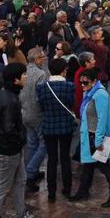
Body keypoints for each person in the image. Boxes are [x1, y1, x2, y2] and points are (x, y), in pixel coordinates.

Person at [72, 68, 110, 208]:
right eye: (80, 82)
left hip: (98, 137)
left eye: (85, 82)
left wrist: (99, 140)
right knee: (88, 164)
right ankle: (83, 191)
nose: (82, 85)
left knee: (105, 166)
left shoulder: (100, 94)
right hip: (90, 135)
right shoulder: (90, 92)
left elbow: (102, 119)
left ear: (94, 81)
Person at [0, 63, 30, 218]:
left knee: (21, 180)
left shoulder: (7, 94)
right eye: (24, 74)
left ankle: (21, 212)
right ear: (15, 80)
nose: (26, 77)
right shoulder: (8, 99)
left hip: (13, 148)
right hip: (8, 150)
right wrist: (21, 139)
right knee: (3, 187)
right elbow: (8, 129)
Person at [35, 57, 77, 203]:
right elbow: (71, 103)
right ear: (63, 70)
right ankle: (67, 188)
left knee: (52, 160)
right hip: (65, 125)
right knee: (65, 158)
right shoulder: (69, 86)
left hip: (49, 126)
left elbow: (41, 105)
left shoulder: (41, 87)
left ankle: (51, 192)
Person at [21, 48, 49, 192]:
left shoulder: (23, 71)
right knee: (44, 144)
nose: (44, 59)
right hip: (37, 114)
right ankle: (30, 172)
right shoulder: (41, 74)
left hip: (24, 112)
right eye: (42, 57)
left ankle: (31, 171)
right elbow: (41, 96)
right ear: (37, 59)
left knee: (31, 144)